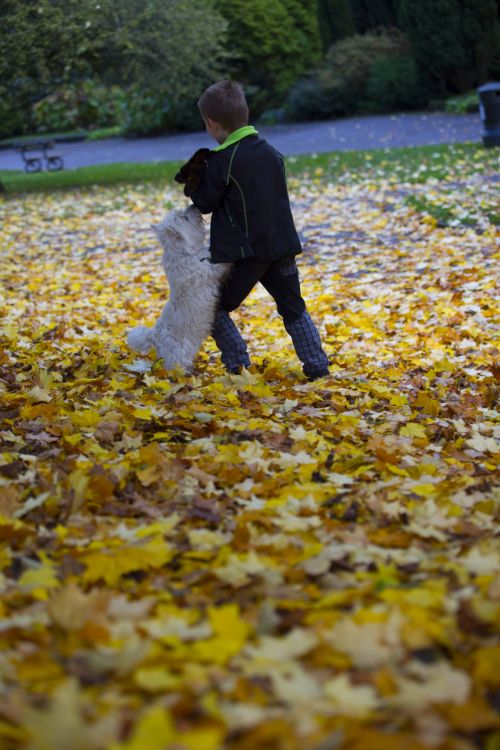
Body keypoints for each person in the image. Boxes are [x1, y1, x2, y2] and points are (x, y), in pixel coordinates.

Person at [187, 80, 329, 380]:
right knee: (293, 308)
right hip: (281, 247)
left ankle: (237, 364)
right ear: (245, 112)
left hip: (246, 254)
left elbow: (204, 203)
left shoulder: (222, 161)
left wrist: (195, 176)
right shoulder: (271, 152)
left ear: (212, 123)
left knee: (212, 305)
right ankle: (317, 366)